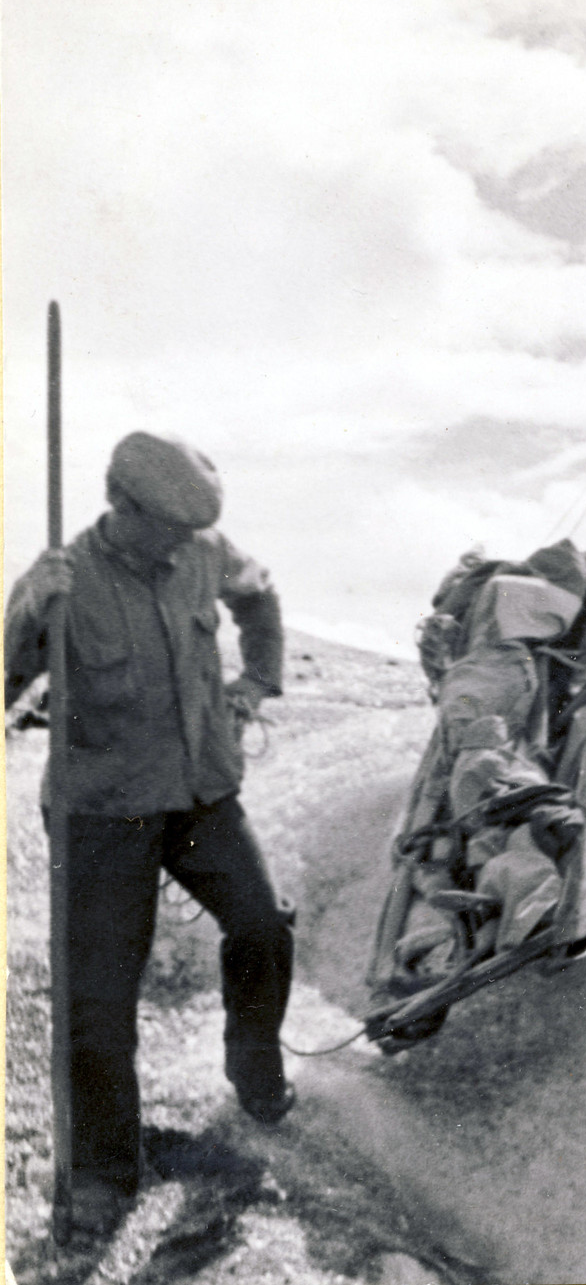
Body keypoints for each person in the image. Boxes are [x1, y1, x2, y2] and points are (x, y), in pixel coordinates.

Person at [4, 432, 296, 1237]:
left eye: (187, 528)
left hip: (199, 794)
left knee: (263, 925)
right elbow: (5, 685)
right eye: (163, 526)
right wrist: (27, 613)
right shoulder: (64, 578)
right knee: (99, 999)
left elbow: (258, 592)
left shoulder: (205, 550)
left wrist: (257, 681)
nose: (179, 541)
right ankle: (102, 1171)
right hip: (102, 811)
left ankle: (254, 1061)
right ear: (117, 502)